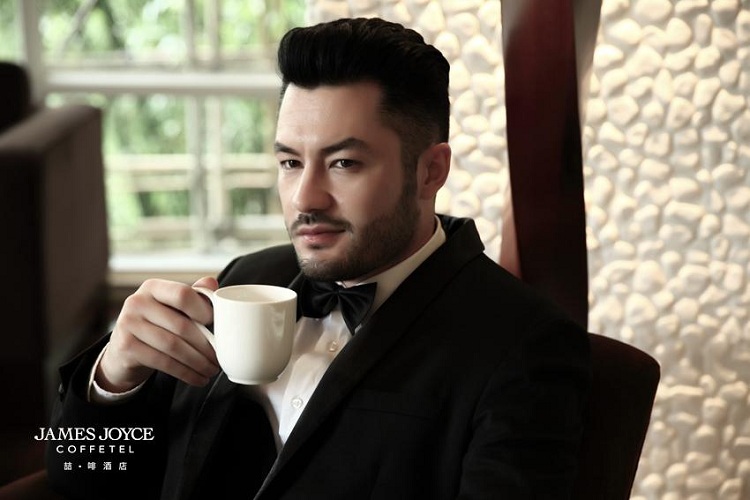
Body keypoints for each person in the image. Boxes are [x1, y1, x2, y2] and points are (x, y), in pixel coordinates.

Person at [46, 17, 590, 500]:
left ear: (431, 171)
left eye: (344, 163)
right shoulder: (241, 280)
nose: (305, 198)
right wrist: (113, 381)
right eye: (290, 162)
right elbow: (78, 478)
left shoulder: (523, 345)